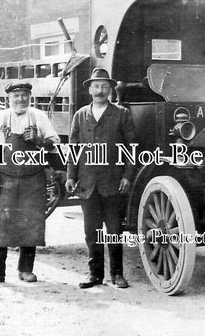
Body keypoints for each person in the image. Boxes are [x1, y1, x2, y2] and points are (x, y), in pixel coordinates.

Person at [0, 82, 60, 285]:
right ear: (9, 98)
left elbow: (55, 142)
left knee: (31, 222)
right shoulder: (0, 118)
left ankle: (26, 270)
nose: (20, 99)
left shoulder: (39, 117)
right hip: (5, 178)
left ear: (30, 96)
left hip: (33, 179)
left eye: (24, 95)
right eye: (16, 96)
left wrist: (39, 140)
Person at [65, 68, 137, 289]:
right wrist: (70, 176)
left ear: (110, 89)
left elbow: (131, 148)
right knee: (92, 231)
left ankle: (117, 275)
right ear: (89, 89)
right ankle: (95, 275)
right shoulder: (80, 115)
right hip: (87, 184)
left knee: (114, 231)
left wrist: (127, 176)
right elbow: (73, 149)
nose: (100, 90)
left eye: (104, 86)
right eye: (96, 86)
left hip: (112, 183)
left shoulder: (121, 114)